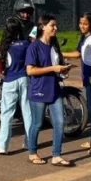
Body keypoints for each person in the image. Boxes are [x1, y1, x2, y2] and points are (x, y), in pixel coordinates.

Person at [25, 14, 75, 167]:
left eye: (55, 25)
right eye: (52, 25)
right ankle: (32, 153)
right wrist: (53, 68)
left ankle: (56, 155)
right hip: (38, 90)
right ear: (43, 27)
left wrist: (63, 70)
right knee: (37, 124)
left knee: (60, 122)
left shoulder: (54, 46)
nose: (56, 28)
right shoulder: (34, 47)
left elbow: (57, 66)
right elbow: (30, 70)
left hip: (54, 89)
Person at [64, 13, 91, 156]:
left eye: (85, 24)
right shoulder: (85, 38)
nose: (82, 26)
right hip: (86, 76)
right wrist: (61, 53)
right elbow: (78, 54)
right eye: (80, 23)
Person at [0, 16, 31, 155]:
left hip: (9, 80)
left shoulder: (3, 46)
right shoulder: (25, 44)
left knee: (6, 114)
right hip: (24, 79)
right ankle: (29, 142)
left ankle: (2, 146)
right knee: (27, 112)